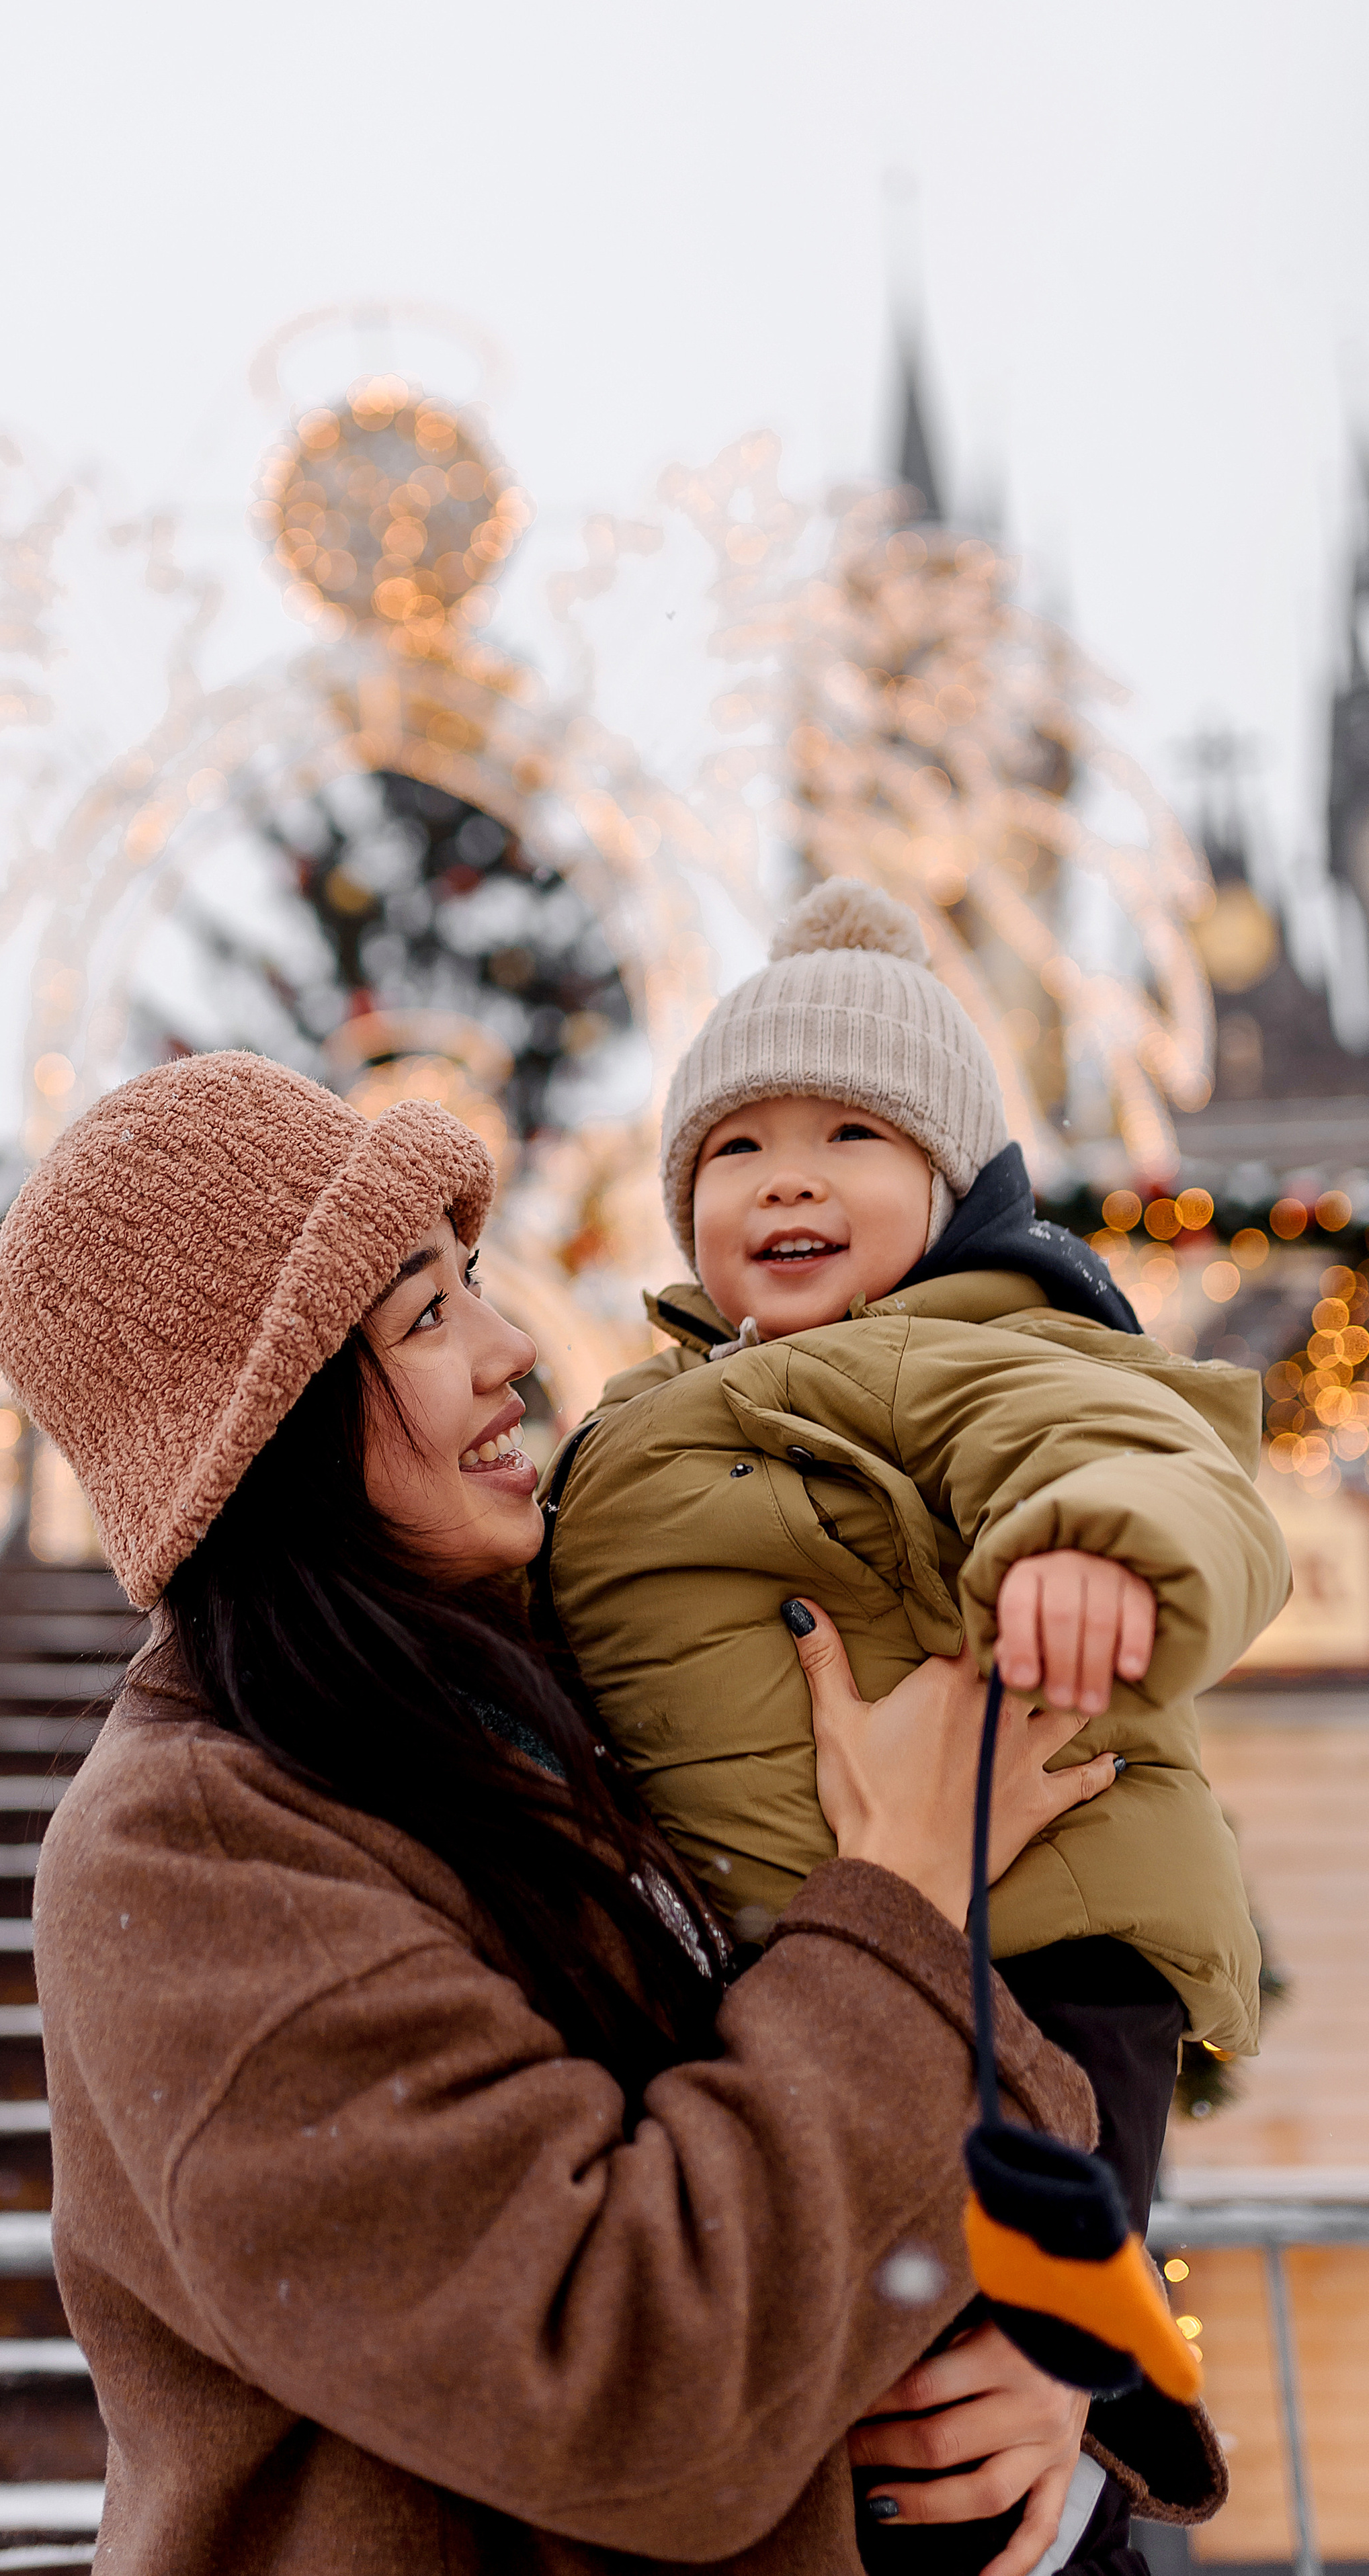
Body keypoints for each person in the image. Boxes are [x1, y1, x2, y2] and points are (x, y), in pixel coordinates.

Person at [0, 1049, 1225, 2576]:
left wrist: (1047, 2362)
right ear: (269, 1430)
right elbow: (628, 2388)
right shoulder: (193, 1857)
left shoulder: (532, 1702)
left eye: (474, 1284)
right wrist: (898, 1889)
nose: (511, 1348)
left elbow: (893, 2121)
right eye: (425, 1318)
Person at [536, 882, 1288, 2569]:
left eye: (849, 1134)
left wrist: (1096, 1549)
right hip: (798, 1965)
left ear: (949, 1192)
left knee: (986, 2367)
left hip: (1036, 1936)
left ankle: (1071, 2460)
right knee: (875, 2394)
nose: (785, 1175)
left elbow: (1140, 1450)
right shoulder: (640, 1414)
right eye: (733, 1150)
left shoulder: (961, 1345)